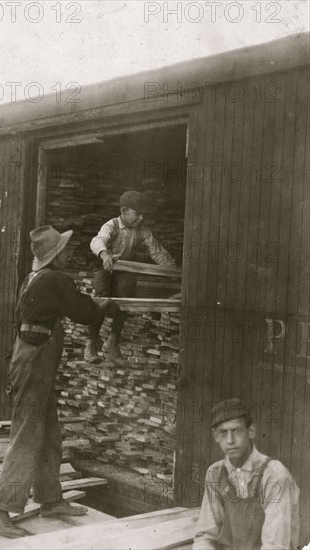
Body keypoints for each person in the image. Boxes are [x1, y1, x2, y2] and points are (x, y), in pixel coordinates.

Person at [0, 225, 119, 538]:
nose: (68, 253)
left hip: (30, 356)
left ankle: (50, 499)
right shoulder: (56, 279)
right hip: (34, 360)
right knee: (27, 434)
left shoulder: (33, 277)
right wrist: (105, 305)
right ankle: (0, 507)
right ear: (55, 255)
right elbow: (84, 312)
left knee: (49, 433)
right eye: (64, 250)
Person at [192, 398, 300, 550]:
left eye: (236, 430)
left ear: (251, 431)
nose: (230, 440)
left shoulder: (274, 476)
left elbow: (276, 546)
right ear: (216, 436)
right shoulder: (215, 474)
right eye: (223, 433)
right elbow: (205, 535)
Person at [85, 190, 176, 364]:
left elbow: (158, 253)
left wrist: (172, 272)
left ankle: (112, 344)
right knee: (101, 299)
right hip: (104, 267)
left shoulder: (143, 231)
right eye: (137, 213)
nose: (141, 218)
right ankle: (91, 343)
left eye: (143, 214)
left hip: (124, 269)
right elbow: (97, 240)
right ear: (124, 211)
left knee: (126, 296)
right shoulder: (111, 226)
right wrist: (104, 255)